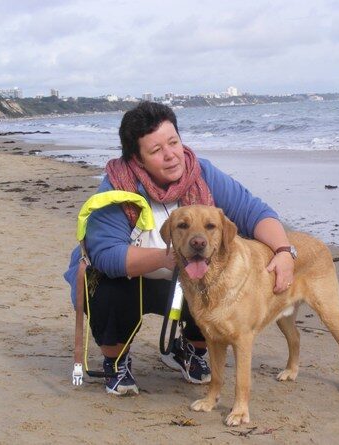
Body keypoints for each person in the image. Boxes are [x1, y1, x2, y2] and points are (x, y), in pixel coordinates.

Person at [64, 101, 295, 396]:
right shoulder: (117, 188)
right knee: (108, 286)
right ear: (137, 158)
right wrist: (169, 257)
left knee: (217, 276)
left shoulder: (200, 173)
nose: (171, 155)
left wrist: (284, 251)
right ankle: (116, 360)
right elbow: (107, 255)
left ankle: (190, 349)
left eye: (173, 142)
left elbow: (255, 212)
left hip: (182, 283)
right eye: (156, 150)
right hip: (133, 281)